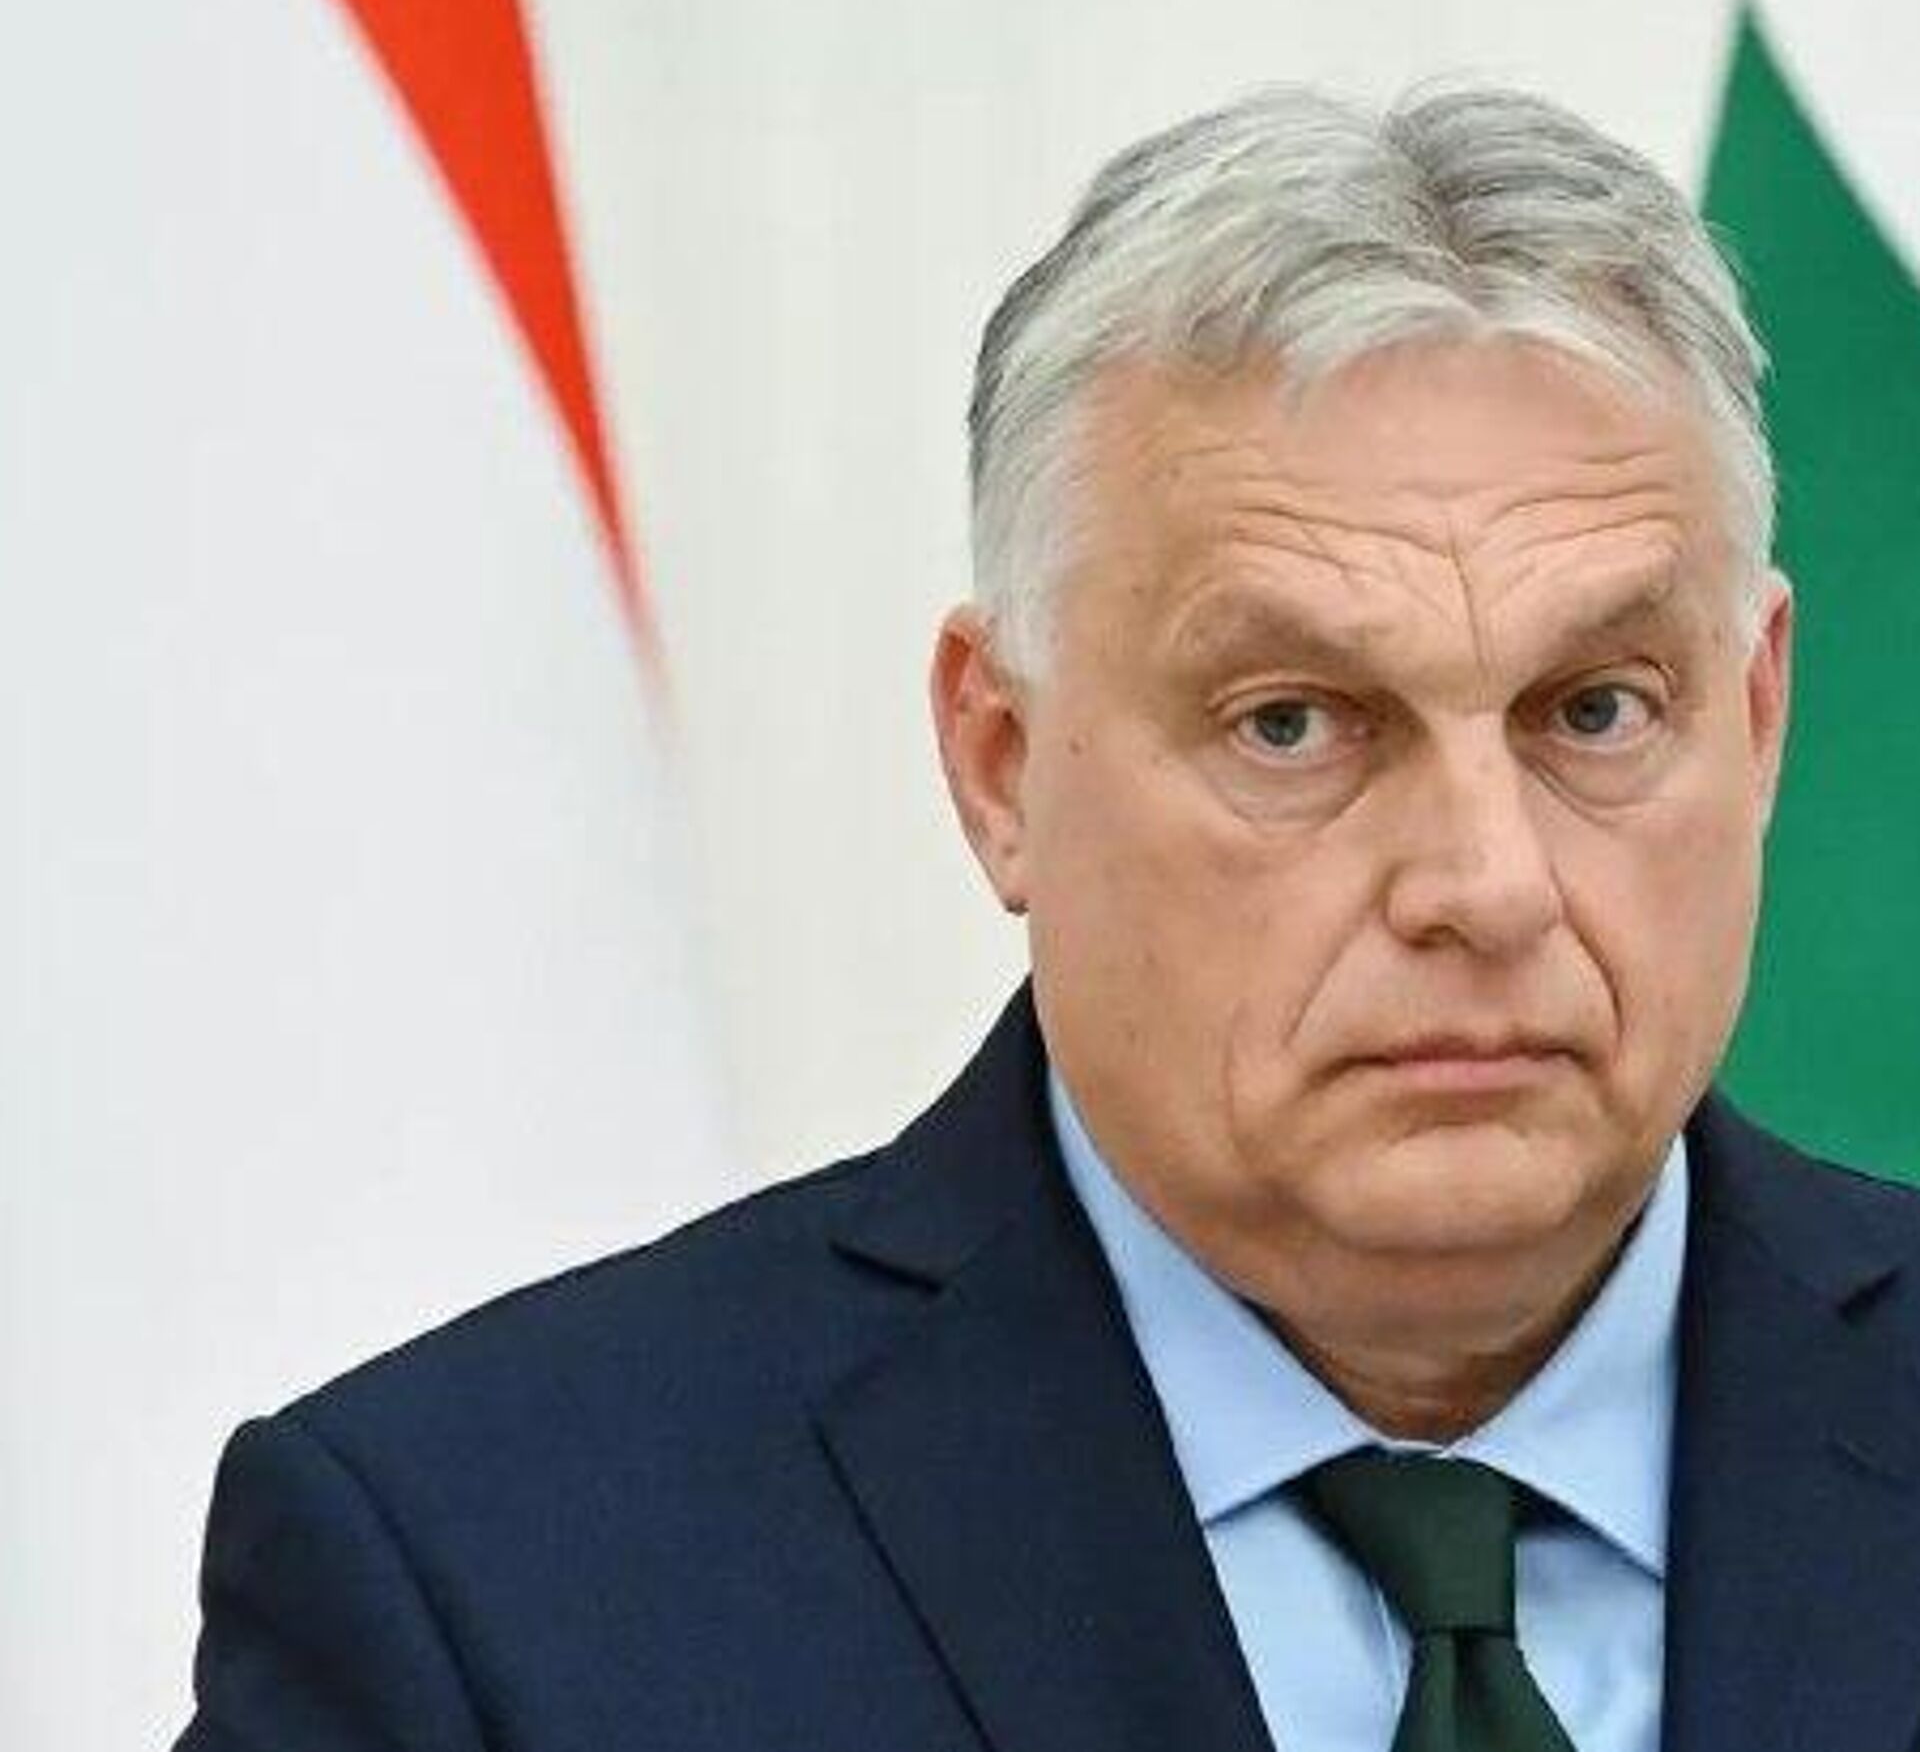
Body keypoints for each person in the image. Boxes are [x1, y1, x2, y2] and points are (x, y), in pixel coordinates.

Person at [175, 85, 1920, 1752]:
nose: (1485, 883)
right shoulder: (488, 1588)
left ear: (1758, 719)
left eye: (1596, 711)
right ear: (1000, 763)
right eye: (1291, 725)